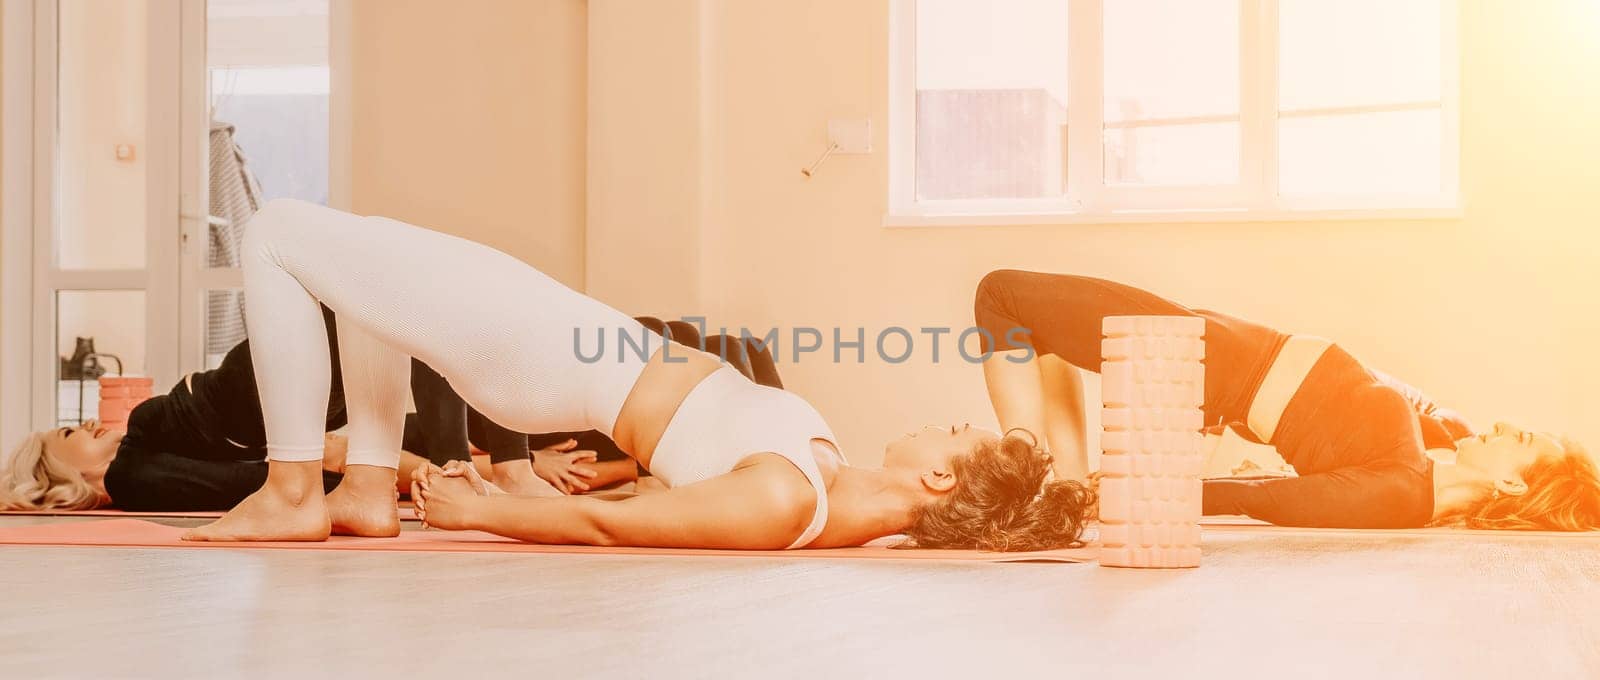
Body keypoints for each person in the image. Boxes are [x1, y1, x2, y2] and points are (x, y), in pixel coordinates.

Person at [185, 199, 1092, 551]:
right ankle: (367, 490)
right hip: (564, 340)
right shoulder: (823, 477)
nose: (946, 421)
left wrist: (488, 508)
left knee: (276, 235)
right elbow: (648, 496)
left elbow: (615, 526)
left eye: (957, 432)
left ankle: (296, 486)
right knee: (361, 273)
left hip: (542, 354)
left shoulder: (785, 498)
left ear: (938, 477)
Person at [974, 269, 1600, 530]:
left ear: (1515, 488)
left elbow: (1266, 501)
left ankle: (1022, 459)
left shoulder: (1399, 492)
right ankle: (1058, 477)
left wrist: (1128, 496)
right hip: (1217, 349)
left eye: (1520, 440)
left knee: (1000, 295)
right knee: (1040, 332)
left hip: (1208, 362)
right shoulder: (1439, 444)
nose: (1506, 424)